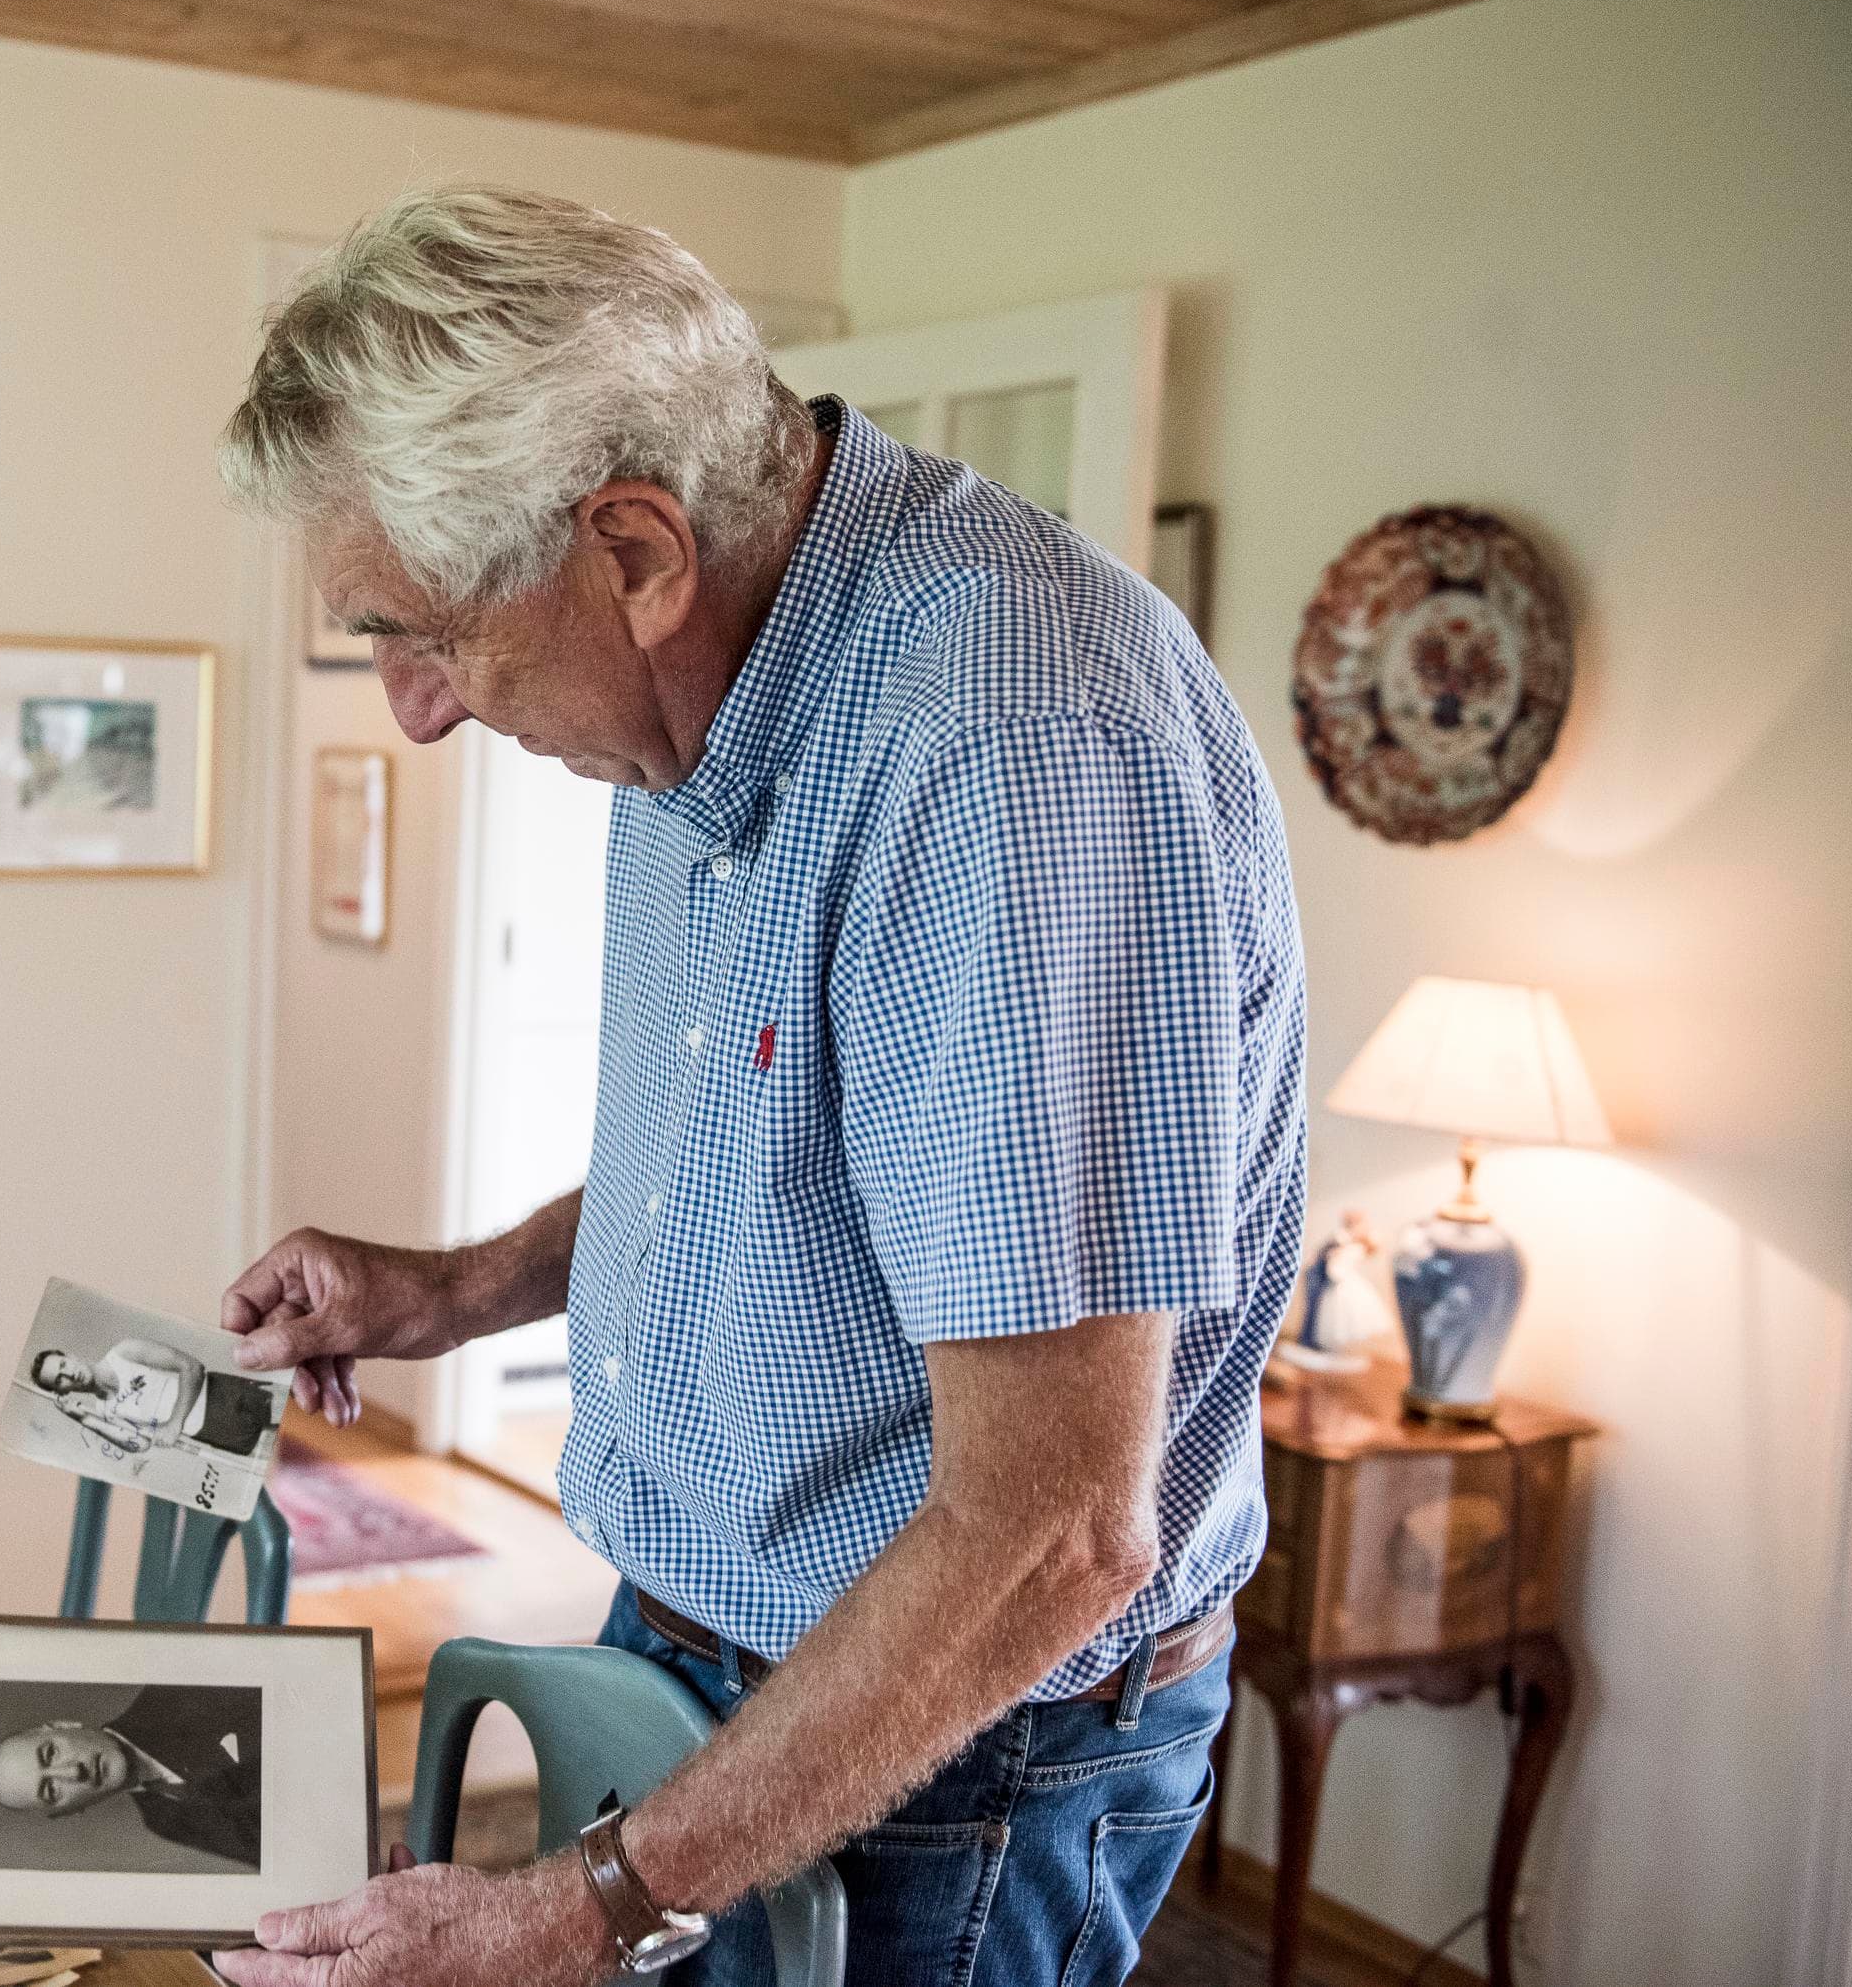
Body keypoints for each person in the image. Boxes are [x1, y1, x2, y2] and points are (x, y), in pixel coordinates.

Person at [211, 185, 1305, 1987]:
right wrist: (455, 1288)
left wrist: (575, 1913)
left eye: (418, 632)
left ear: (630, 550)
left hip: (951, 1754)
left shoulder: (1010, 744)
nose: (410, 708)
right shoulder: (689, 701)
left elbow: (1049, 1529)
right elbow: (762, 1159)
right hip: (704, 1651)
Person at [0, 1686, 262, 1870]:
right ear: (67, 1811)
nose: (73, 1772)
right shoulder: (163, 1822)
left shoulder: (175, 1691)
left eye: (50, 1753)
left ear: (64, 1726)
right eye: (51, 1790)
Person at [31, 1341, 278, 1461]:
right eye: (59, 1380)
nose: (69, 1374)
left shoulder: (123, 1352)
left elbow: (191, 1367)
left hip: (227, 1394)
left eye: (63, 1365)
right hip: (213, 1432)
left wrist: (174, 1423)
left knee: (306, 1421)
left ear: (71, 1356)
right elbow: (139, 1445)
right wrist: (86, 1419)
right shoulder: (104, 1412)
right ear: (61, 1392)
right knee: (292, 1463)